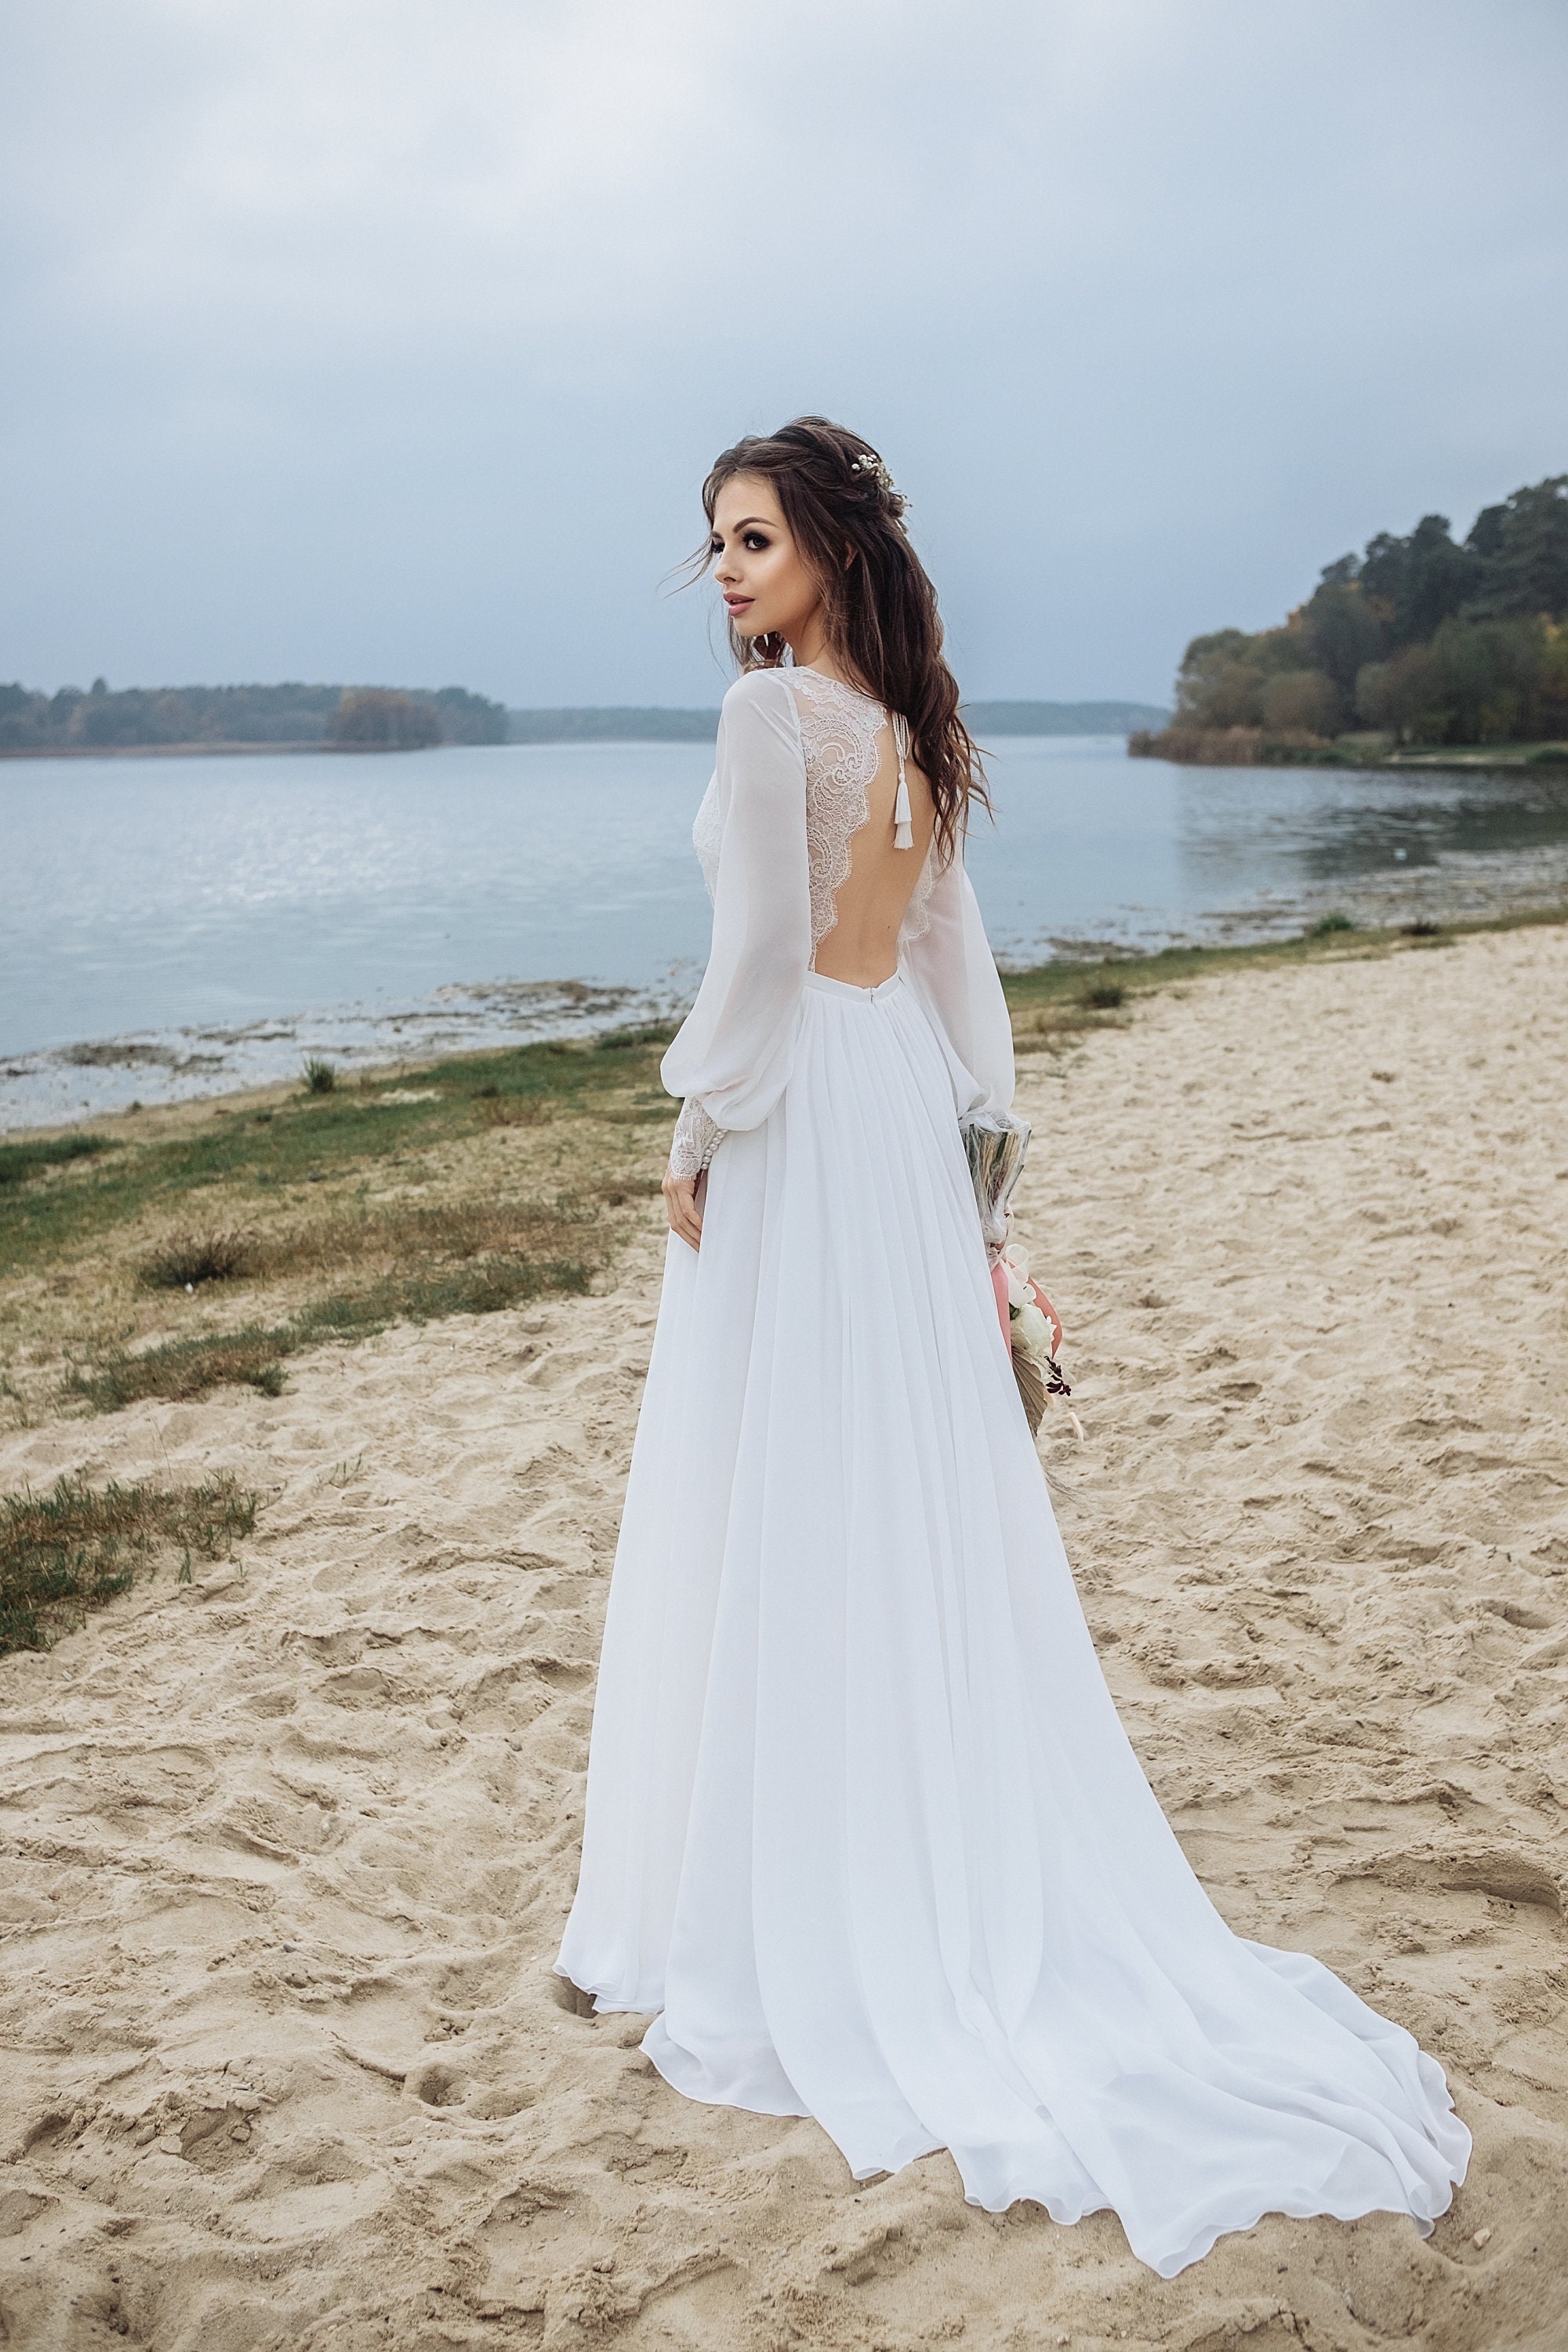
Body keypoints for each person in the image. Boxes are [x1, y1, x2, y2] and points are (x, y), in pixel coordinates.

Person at [557, 416, 1469, 2278]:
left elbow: (748, 963)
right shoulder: (907, 731)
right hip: (897, 1110)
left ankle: (773, 1890)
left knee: (779, 1470)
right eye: (712, 544)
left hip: (809, 1107)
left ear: (825, 544)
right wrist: (981, 1186)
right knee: (896, 1483)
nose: (726, 569)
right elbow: (959, 975)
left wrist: (692, 1125)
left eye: (753, 538)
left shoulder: (765, 725)